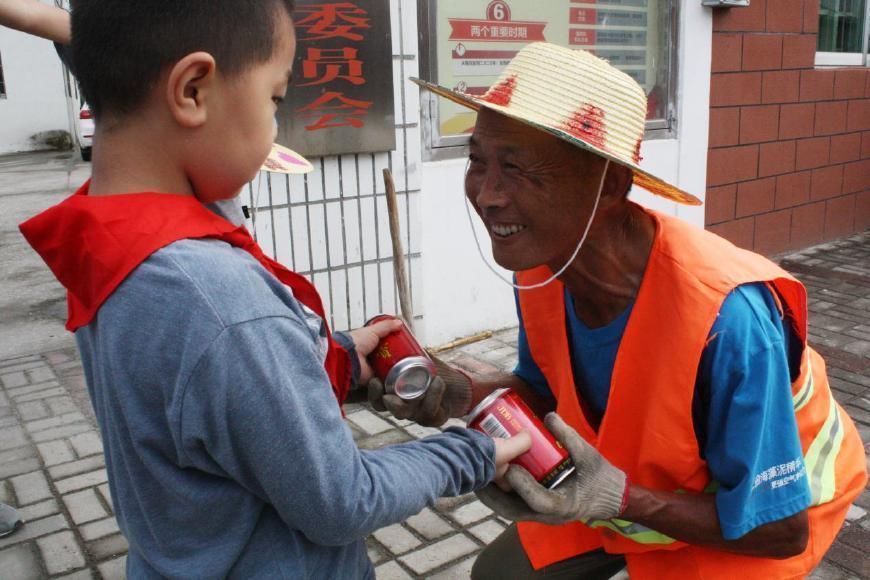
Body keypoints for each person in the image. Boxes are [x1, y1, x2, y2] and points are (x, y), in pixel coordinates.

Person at [18, 1, 531, 577]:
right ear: (191, 91)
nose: (273, 133)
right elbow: (339, 502)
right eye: (274, 100)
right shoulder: (225, 306)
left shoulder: (110, 237)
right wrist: (470, 454)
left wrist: (330, 354)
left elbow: (202, 396)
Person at [370, 43, 867, 579]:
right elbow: (550, 394)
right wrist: (461, 390)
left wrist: (618, 498)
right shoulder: (544, 266)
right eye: (477, 160)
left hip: (754, 528)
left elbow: (780, 530)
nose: (487, 194)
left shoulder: (729, 320)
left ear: (610, 184)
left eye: (516, 168)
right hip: (632, 494)